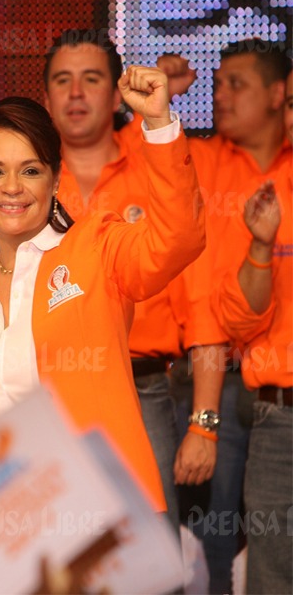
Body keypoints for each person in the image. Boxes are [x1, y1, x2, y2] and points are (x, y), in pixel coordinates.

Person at [0, 64, 205, 514]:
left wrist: (159, 123)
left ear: (55, 178)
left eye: (29, 170)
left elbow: (178, 239)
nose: (11, 188)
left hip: (94, 521)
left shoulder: (95, 248)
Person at [158, 40, 290, 592]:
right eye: (216, 84)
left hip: (265, 383)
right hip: (214, 376)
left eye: (237, 84)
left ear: (280, 93)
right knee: (217, 534)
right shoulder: (205, 160)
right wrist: (159, 103)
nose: (220, 95)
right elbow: (149, 160)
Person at [210, 69, 292, 595]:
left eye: (237, 83)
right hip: (277, 419)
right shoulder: (270, 190)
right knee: (273, 577)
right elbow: (240, 321)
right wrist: (261, 248)